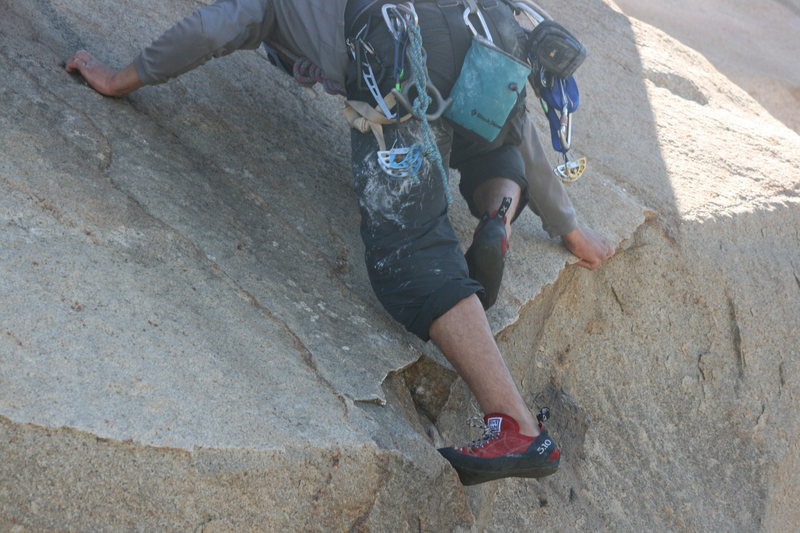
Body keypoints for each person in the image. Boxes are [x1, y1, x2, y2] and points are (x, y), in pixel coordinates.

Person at [65, 0, 613, 486]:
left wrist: (121, 78)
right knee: (490, 129)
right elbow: (520, 127)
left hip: (397, 43)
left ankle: (513, 426)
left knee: (413, 253)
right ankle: (499, 213)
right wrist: (570, 228)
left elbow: (216, 26)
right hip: (488, 27)